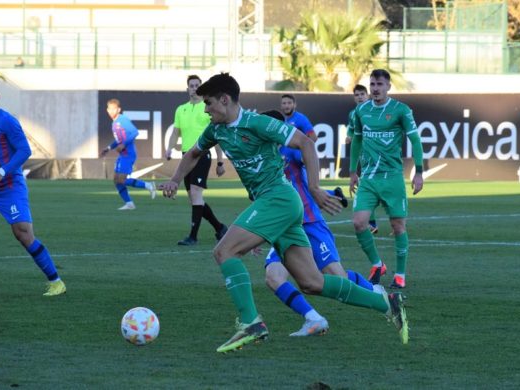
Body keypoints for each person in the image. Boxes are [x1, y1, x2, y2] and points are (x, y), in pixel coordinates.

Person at [160, 73, 408, 353]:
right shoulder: (216, 130)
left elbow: (306, 143)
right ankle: (386, 303)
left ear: (225, 100)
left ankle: (250, 322)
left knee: (224, 252)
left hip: (278, 198)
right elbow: (193, 153)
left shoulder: (258, 123)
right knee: (312, 283)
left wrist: (314, 187)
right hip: (275, 205)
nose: (205, 109)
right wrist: (174, 179)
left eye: (208, 103)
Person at [261, 109, 382, 337]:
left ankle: (377, 294)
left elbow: (308, 152)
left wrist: (320, 190)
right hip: (282, 227)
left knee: (337, 277)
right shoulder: (261, 158)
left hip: (309, 222)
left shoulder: (290, 150)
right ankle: (314, 319)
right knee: (273, 277)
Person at [0, 79, 66, 296]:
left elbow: (24, 151)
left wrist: (0, 173)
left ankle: (56, 282)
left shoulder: (6, 121)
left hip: (9, 188)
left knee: (23, 234)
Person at [349, 69, 424, 289]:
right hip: (369, 179)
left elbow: (416, 141)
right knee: (358, 223)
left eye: (379, 84)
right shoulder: (361, 111)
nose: (375, 89)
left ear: (388, 86)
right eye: (372, 84)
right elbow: (356, 141)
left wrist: (419, 172)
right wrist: (353, 171)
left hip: (392, 178)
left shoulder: (400, 110)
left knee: (398, 226)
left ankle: (400, 274)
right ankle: (377, 264)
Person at [166, 75, 227, 246]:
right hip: (186, 156)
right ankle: (220, 227)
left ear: (201, 88)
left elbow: (215, 136)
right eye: (191, 85)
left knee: (195, 194)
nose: (194, 88)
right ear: (187, 88)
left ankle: (193, 236)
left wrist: (220, 162)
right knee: (194, 198)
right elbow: (175, 132)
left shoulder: (207, 108)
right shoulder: (181, 109)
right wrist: (169, 148)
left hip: (202, 155)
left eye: (197, 85)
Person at [100, 98, 156, 210]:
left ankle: (149, 185)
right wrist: (109, 148)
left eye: (113, 109)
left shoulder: (122, 119)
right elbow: (118, 140)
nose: (111, 111)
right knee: (116, 180)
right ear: (107, 110)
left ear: (118, 109)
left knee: (121, 180)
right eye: (109, 109)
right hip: (123, 154)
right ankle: (129, 203)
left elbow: (135, 132)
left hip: (128, 154)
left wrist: (124, 145)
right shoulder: (114, 123)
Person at [345, 84, 378, 234]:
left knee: (373, 188)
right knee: (368, 188)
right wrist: (349, 137)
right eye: (357, 95)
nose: (359, 97)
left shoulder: (375, 109)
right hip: (363, 157)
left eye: (362, 94)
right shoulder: (353, 114)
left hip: (377, 155)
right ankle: (372, 223)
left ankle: (393, 221)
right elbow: (351, 130)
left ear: (368, 95)